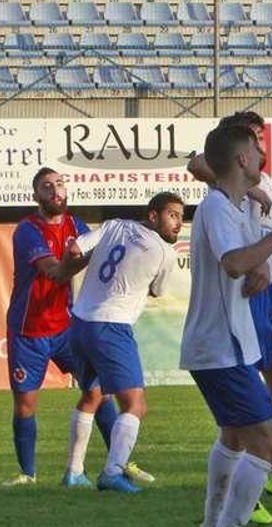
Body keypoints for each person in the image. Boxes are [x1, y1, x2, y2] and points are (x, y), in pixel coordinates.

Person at [189, 111, 272, 520]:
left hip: (239, 324)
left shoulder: (241, 194)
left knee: (240, 429)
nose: (262, 148)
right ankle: (233, 522)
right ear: (242, 155)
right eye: (255, 143)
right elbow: (234, 261)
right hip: (223, 336)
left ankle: (221, 526)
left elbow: (251, 248)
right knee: (261, 437)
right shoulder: (220, 199)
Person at [3, 168, 154, 488]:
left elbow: (103, 255)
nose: (55, 190)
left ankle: (119, 463)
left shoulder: (76, 226)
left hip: (68, 327)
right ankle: (28, 473)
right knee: (26, 404)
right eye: (47, 187)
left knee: (99, 392)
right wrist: (89, 255)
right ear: (37, 196)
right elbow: (56, 273)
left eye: (59, 184)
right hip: (29, 329)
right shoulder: (28, 231)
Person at [63, 192, 184, 493]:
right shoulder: (165, 252)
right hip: (111, 326)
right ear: (153, 215)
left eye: (181, 216)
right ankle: (113, 472)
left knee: (92, 396)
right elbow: (158, 291)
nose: (178, 223)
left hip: (79, 322)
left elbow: (76, 247)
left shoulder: (113, 224)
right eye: (172, 215)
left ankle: (74, 472)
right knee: (135, 404)